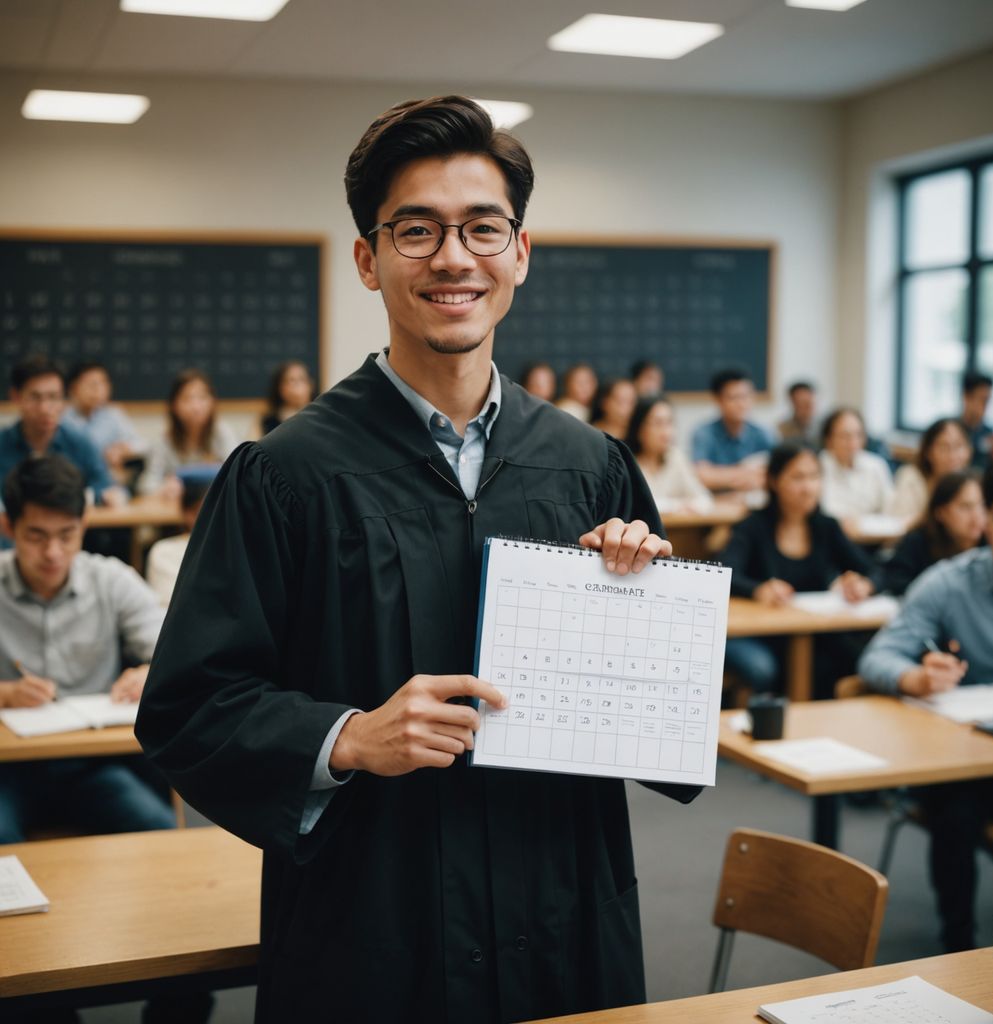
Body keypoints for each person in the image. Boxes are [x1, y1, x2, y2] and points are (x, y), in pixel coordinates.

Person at [136, 95, 699, 1024]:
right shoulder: (285, 474)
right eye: (417, 229)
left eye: (483, 228)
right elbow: (190, 706)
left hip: (559, 902)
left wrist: (641, 607)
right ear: (368, 258)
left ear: (519, 252)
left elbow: (666, 722)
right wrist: (347, 738)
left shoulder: (589, 463)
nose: (453, 256)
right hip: (374, 920)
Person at [858, 453, 993, 953]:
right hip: (963, 766)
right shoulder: (950, 582)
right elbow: (878, 656)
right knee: (954, 814)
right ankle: (958, 941)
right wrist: (914, 676)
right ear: (983, 520)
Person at [0, 455, 174, 843]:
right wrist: (7, 694)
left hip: (90, 768)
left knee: (159, 828)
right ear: (8, 526)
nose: (53, 553)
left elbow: (177, 652)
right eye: (36, 536)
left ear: (85, 525)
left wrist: (150, 673)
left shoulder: (110, 579)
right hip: (7, 770)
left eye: (67, 534)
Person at [720, 442, 880, 697]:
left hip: (814, 635)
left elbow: (874, 569)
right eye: (797, 477)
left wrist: (864, 584)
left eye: (815, 476)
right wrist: (758, 589)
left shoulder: (826, 527)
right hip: (764, 634)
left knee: (857, 658)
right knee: (763, 668)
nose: (808, 488)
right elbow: (724, 574)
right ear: (774, 481)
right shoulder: (751, 527)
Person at [0, 354, 125, 515]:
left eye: (53, 397)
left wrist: (98, 496)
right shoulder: (3, 443)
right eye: (35, 397)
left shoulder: (80, 442)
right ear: (16, 397)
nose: (45, 408)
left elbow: (105, 485)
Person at [882, 470, 986, 596]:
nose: (977, 516)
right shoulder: (918, 541)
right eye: (966, 507)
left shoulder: (992, 544)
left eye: (982, 506)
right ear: (941, 513)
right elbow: (894, 579)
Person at [137, 369, 237, 499]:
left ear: (212, 402)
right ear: (174, 405)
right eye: (187, 398)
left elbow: (237, 474)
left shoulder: (222, 433)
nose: (196, 407)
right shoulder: (165, 441)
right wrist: (165, 488)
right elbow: (146, 484)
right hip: (175, 514)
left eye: (202, 398)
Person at [691, 367, 773, 496]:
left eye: (746, 396)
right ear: (718, 400)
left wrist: (722, 476)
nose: (741, 403)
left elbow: (775, 474)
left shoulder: (762, 433)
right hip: (716, 506)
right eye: (734, 397)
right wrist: (746, 472)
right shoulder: (704, 433)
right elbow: (702, 476)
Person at [625, 395, 712, 512]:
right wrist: (676, 506)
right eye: (658, 423)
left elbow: (704, 500)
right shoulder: (625, 461)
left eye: (669, 423)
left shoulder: (675, 456)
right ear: (638, 427)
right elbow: (636, 506)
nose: (666, 431)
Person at [63, 361, 145, 476]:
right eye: (92, 384)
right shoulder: (63, 418)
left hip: (107, 478)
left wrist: (122, 449)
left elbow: (142, 445)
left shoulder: (113, 414)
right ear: (73, 388)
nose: (98, 390)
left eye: (103, 383)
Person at [887, 417, 972, 522]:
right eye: (944, 447)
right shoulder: (911, 477)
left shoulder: (972, 485)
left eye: (959, 446)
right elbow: (899, 522)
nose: (952, 455)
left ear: (969, 450)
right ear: (928, 452)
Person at [818, 407, 894, 523]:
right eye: (845, 436)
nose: (853, 442)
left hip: (872, 534)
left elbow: (890, 508)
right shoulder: (818, 466)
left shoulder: (876, 465)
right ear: (829, 439)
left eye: (858, 435)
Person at [145, 477, 211, 607]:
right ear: (188, 513)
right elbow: (172, 606)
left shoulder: (235, 550)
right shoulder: (164, 553)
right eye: (208, 510)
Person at [961, 371, 993, 468]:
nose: (986, 406)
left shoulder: (991, 434)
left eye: (988, 400)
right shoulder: (952, 430)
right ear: (966, 397)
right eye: (983, 399)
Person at [259, 360, 316, 436]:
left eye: (301, 379)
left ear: (311, 385)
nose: (295, 385)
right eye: (290, 380)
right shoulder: (267, 422)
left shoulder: (319, 417)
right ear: (280, 388)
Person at [590, 376, 637, 440]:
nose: (628, 408)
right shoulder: (590, 432)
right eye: (621, 401)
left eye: (631, 402)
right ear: (605, 402)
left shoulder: (638, 437)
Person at [778, 380, 818, 446]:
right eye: (802, 403)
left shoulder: (825, 426)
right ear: (792, 402)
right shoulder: (782, 429)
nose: (808, 408)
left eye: (810, 403)